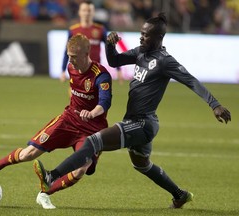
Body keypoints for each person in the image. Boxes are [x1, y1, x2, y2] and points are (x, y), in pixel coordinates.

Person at [33, 13, 231, 209]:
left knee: (93, 141)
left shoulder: (165, 61)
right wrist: (110, 45)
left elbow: (191, 80)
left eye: (146, 35)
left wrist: (214, 104)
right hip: (138, 121)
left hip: (142, 123)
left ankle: (52, 176)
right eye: (141, 33)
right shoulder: (140, 53)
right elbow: (114, 61)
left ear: (159, 38)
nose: (141, 37)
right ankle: (180, 195)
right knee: (142, 165)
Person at [0, 33, 113, 209]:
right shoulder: (70, 68)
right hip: (68, 120)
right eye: (69, 56)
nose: (70, 60)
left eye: (74, 57)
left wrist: (91, 113)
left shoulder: (101, 75)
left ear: (86, 54)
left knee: (81, 169)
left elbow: (105, 103)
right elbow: (76, 91)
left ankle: (44, 194)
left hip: (91, 129)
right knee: (28, 154)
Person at [60, 0, 123, 84]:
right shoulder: (73, 30)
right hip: (77, 72)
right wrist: (63, 71)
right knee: (76, 96)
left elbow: (110, 49)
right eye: (84, 10)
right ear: (79, 12)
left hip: (95, 72)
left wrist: (118, 69)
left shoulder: (100, 30)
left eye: (89, 10)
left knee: (94, 96)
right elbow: (66, 52)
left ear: (93, 12)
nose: (86, 13)